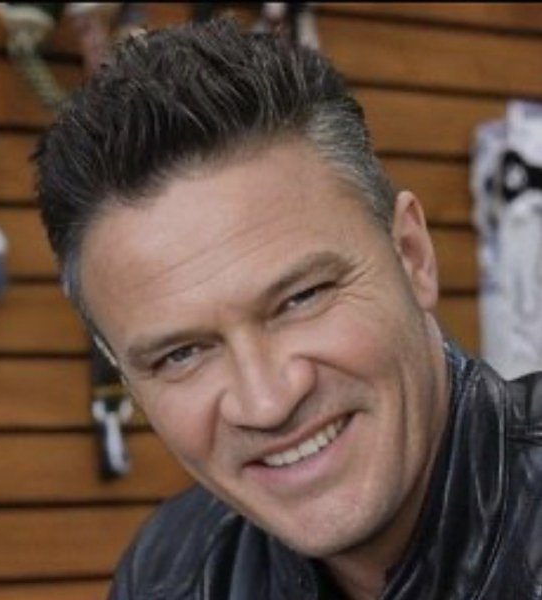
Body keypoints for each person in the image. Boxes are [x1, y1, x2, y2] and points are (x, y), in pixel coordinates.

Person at [35, 18, 542, 600]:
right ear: (126, 379)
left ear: (412, 256)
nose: (267, 402)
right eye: (181, 354)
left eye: (301, 298)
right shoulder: (168, 575)